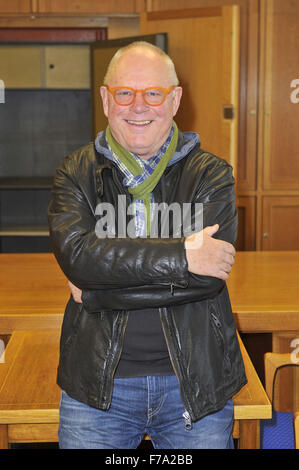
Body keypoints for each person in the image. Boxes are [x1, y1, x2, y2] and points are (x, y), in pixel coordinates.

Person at [47, 41, 247, 450]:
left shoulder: (210, 174)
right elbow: (79, 260)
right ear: (106, 99)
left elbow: (207, 281)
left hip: (195, 384)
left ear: (174, 100)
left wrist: (99, 292)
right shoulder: (76, 173)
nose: (139, 106)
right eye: (125, 92)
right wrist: (183, 255)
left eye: (152, 93)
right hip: (97, 390)